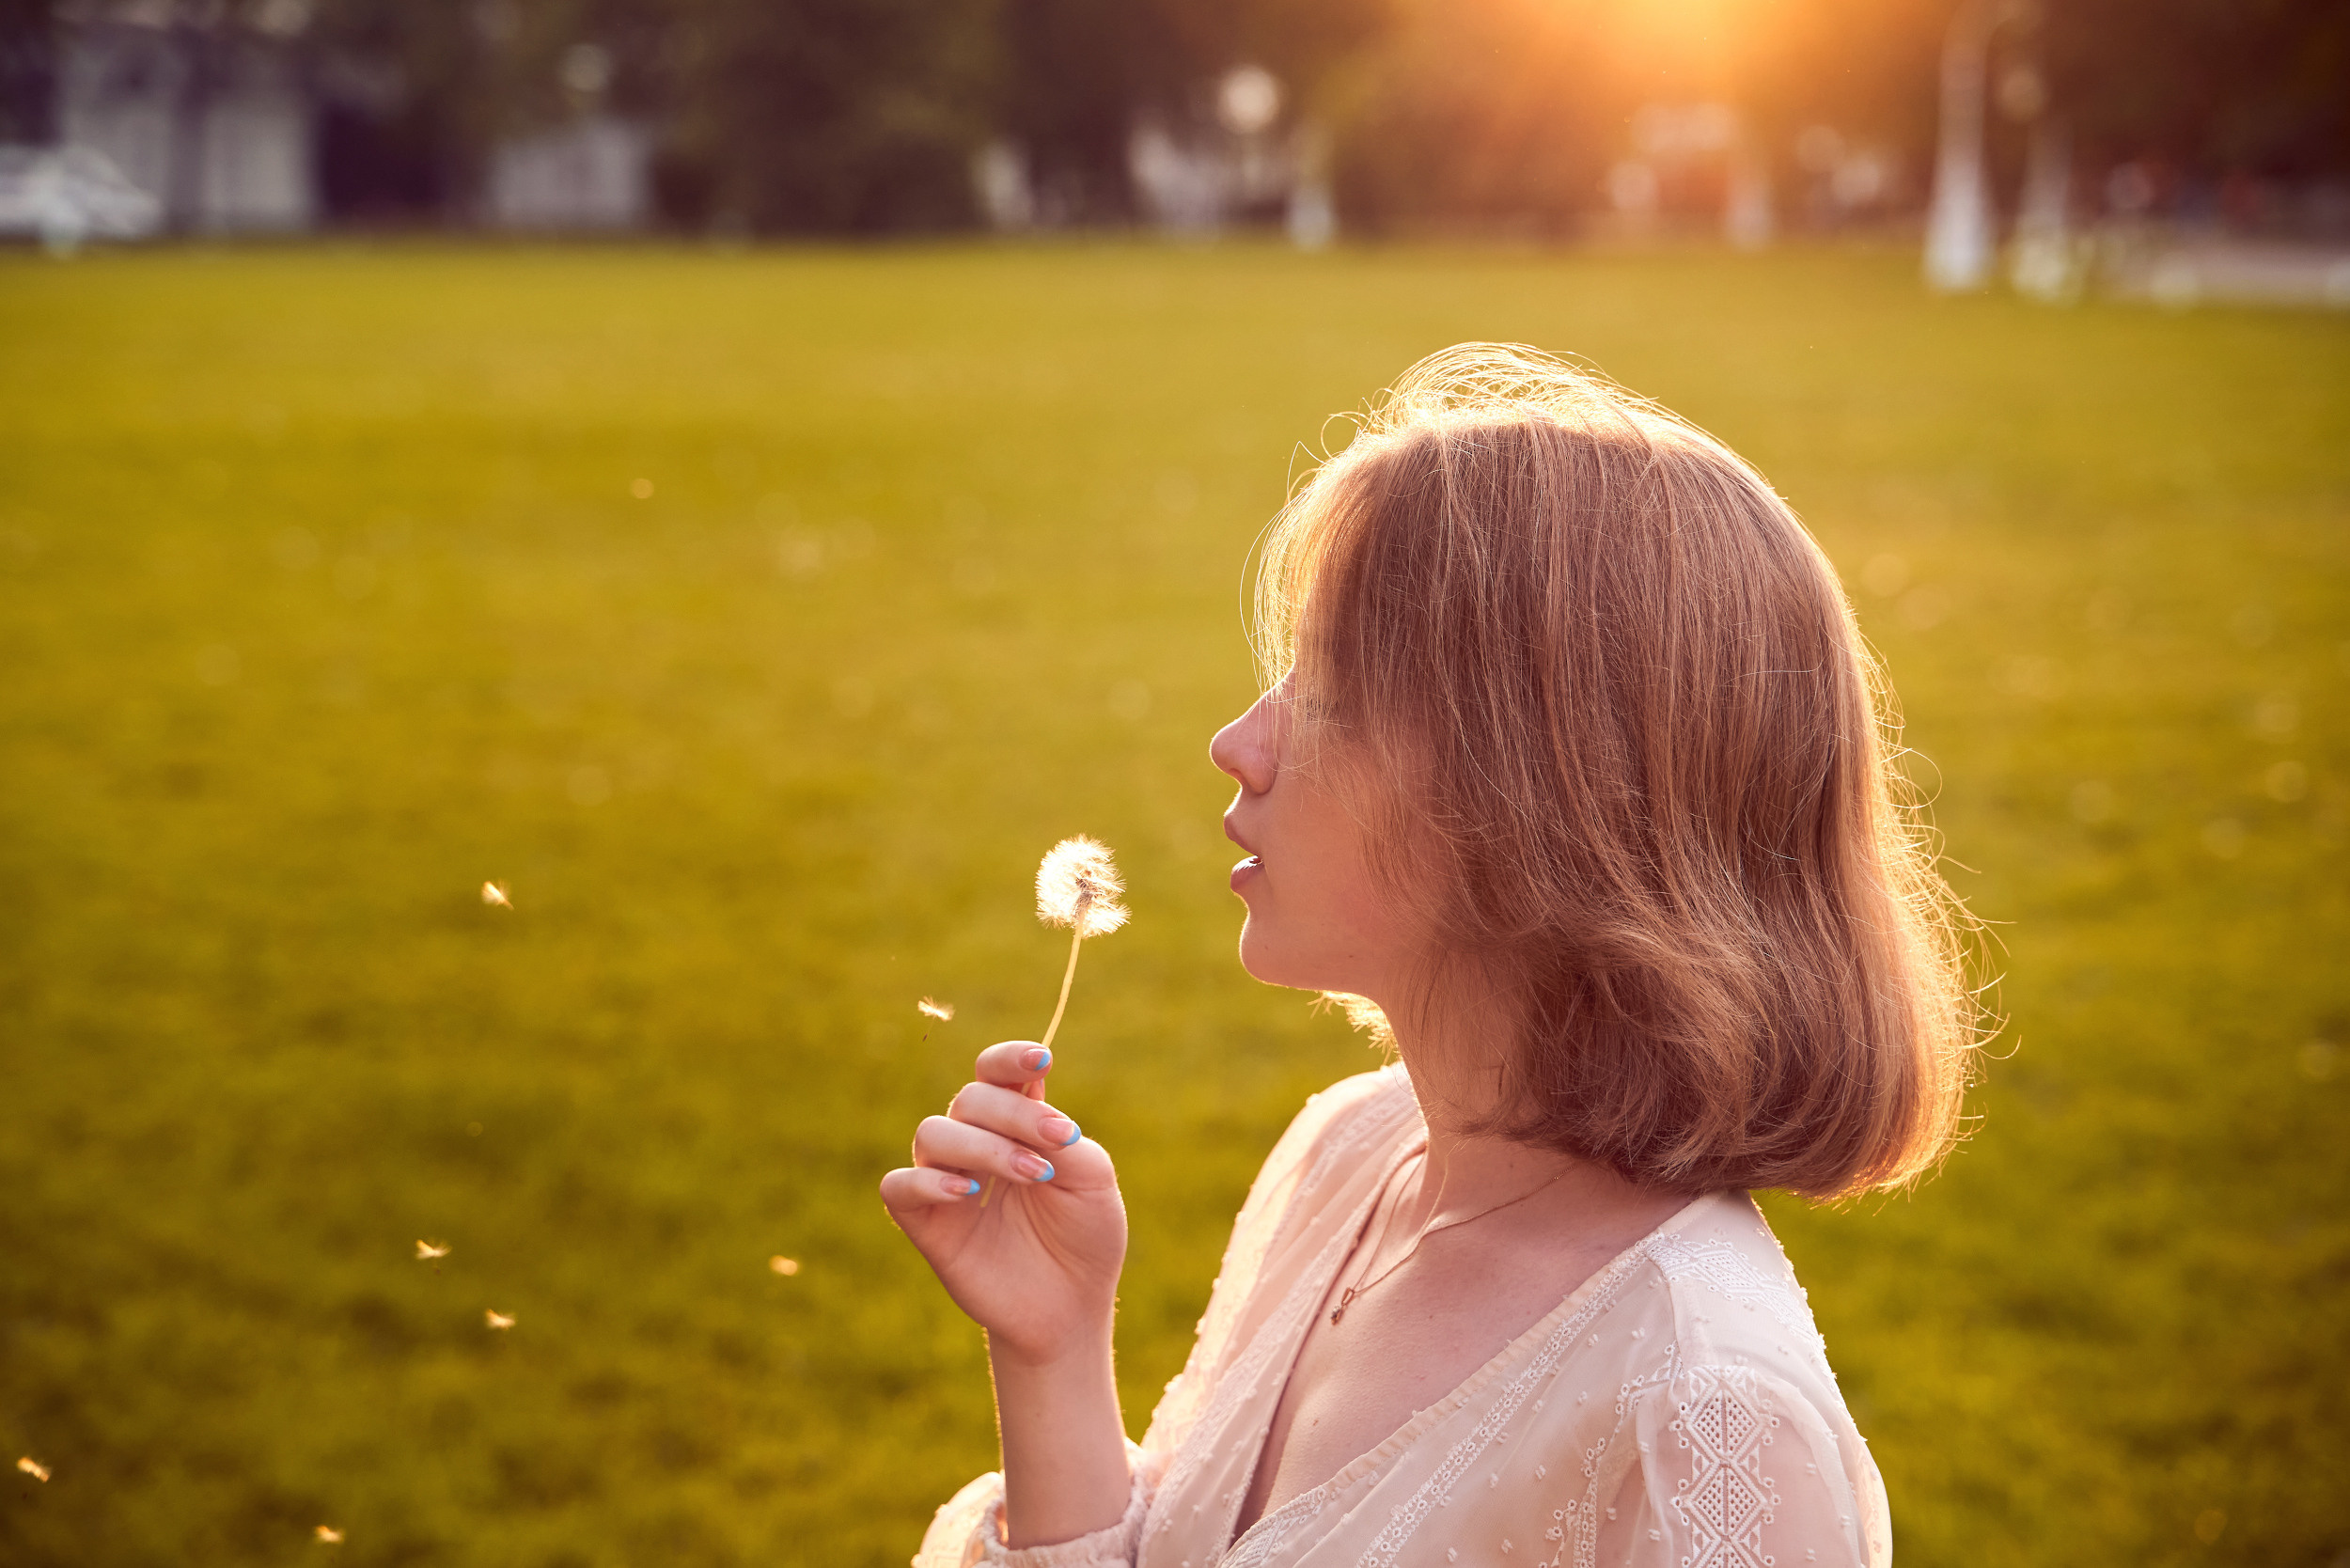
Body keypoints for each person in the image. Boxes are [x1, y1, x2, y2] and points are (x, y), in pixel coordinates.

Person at [882, 344, 1981, 1568]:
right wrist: (1051, 1351)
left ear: (1543, 797)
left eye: (1332, 693)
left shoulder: (1712, 1425)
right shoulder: (1354, 1154)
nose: (1238, 742)